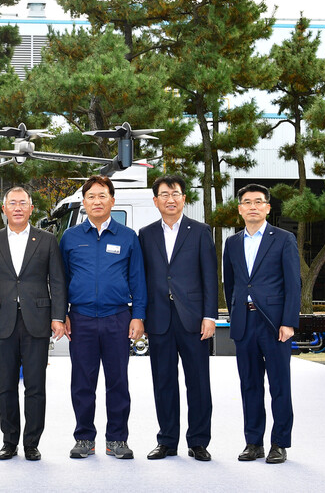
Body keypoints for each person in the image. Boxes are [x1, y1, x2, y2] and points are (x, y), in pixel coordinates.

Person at [0, 186, 67, 461]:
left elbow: (58, 281)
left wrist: (58, 317)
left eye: (22, 203)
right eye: (12, 203)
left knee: (36, 385)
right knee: (6, 385)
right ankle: (9, 441)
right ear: (4, 209)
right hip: (1, 322)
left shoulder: (47, 240)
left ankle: (32, 443)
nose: (17, 207)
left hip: (37, 321)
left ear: (30, 208)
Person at [59, 175, 146, 460]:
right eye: (91, 196)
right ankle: (84, 437)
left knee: (118, 381)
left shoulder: (127, 237)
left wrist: (139, 316)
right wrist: (62, 314)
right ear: (84, 203)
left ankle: (117, 439)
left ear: (112, 200)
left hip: (117, 318)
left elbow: (138, 280)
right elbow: (61, 280)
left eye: (102, 195)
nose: (97, 201)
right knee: (83, 382)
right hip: (81, 319)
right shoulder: (70, 238)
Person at [138, 175, 217, 462]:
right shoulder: (145, 234)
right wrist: (141, 315)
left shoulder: (200, 231)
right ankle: (167, 441)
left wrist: (210, 315)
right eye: (164, 194)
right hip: (159, 319)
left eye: (175, 193)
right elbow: (142, 278)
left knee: (198, 382)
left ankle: (198, 441)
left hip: (194, 320)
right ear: (155, 200)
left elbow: (210, 276)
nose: (170, 199)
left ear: (184, 198)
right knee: (164, 382)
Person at [223, 183, 300, 464]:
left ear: (267, 207)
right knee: (250, 385)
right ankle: (253, 442)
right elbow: (230, 284)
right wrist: (235, 316)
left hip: (275, 324)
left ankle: (279, 442)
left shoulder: (283, 239)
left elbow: (293, 283)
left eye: (258, 201)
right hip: (245, 323)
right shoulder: (231, 243)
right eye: (247, 202)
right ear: (240, 208)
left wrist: (289, 322)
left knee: (279, 385)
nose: (252, 206)